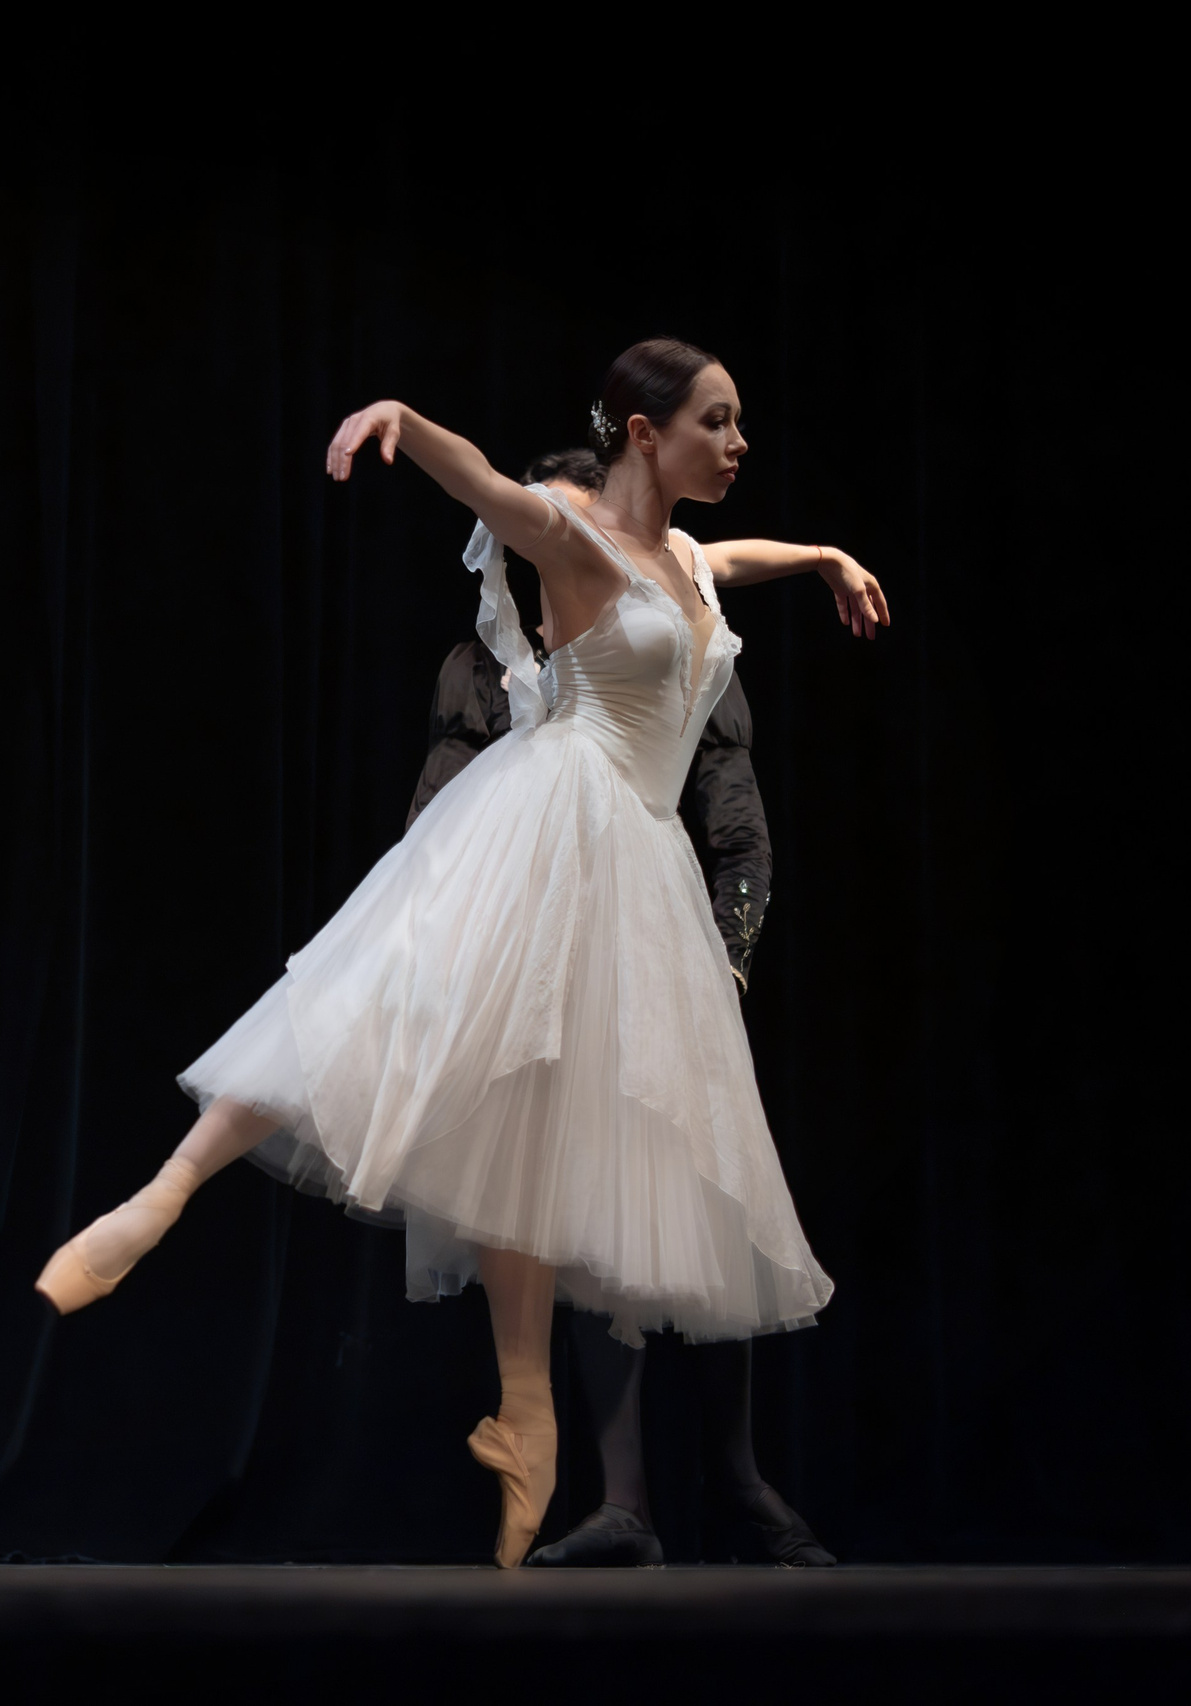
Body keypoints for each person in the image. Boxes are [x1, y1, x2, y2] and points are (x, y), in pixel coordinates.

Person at [37, 339, 883, 1567]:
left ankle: (528, 1415)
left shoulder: (689, 557)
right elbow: (485, 483)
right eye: (718, 419)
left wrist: (821, 556)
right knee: (389, 1002)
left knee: (529, 1115)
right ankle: (158, 1196)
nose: (738, 440)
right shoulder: (574, 533)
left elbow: (735, 562)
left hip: (639, 857)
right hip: (557, 808)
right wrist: (402, 415)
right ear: (644, 432)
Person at [410, 448, 843, 1567]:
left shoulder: (663, 620)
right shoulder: (495, 664)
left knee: (708, 1188)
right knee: (585, 1222)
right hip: (551, 974)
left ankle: (738, 1478)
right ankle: (625, 1502)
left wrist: (727, 957)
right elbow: (443, 816)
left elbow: (732, 816)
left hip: (661, 953)